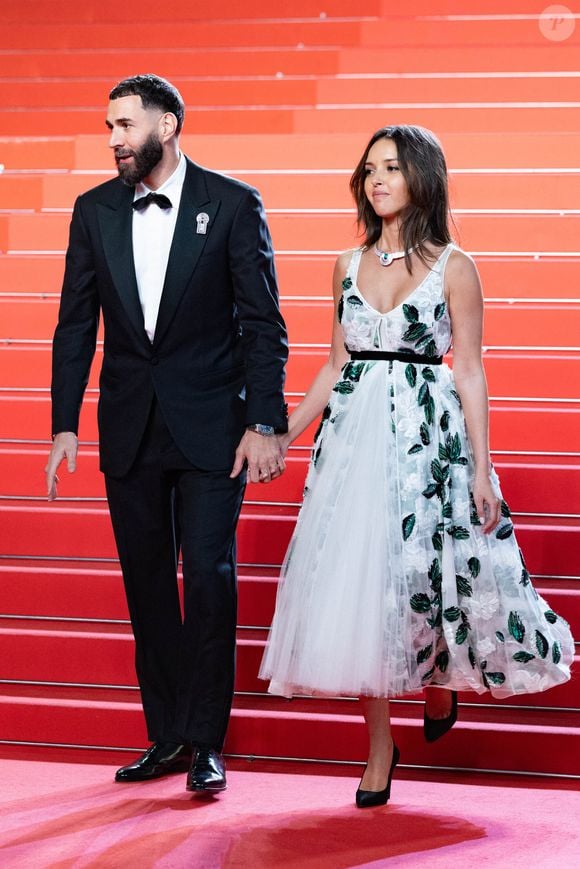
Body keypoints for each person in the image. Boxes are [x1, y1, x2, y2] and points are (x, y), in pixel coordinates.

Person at [259, 124, 574, 808]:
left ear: (421, 179)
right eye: (369, 168)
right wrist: (285, 432)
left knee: (430, 572)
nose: (376, 180)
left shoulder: (455, 265)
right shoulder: (345, 264)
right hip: (351, 443)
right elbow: (337, 363)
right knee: (361, 584)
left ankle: (439, 679)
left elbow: (468, 368)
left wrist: (484, 470)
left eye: (392, 168)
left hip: (428, 442)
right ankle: (380, 745)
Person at [45, 74, 288, 793]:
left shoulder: (234, 203)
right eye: (109, 126)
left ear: (169, 124)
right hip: (130, 426)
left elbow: (263, 323)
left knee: (209, 582)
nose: (114, 138)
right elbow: (74, 324)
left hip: (215, 426)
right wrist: (63, 421)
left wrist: (264, 421)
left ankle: (207, 740)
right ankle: (170, 736)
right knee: (148, 587)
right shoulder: (92, 211)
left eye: (125, 124)